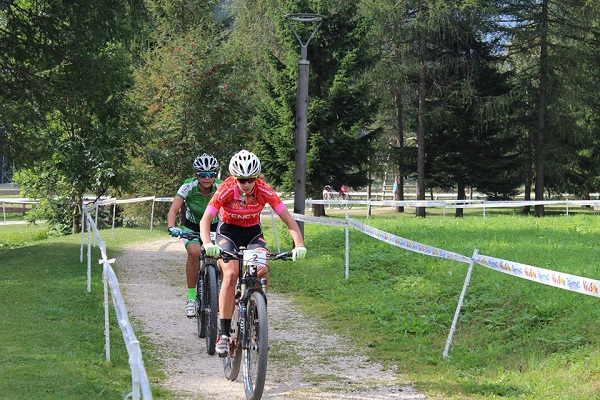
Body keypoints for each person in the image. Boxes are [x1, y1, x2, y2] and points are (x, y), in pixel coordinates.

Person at [200, 149, 307, 357]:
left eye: (250, 179)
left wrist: (299, 244)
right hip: (227, 233)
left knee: (262, 269)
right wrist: (206, 242)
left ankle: (257, 317)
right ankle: (223, 334)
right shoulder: (225, 189)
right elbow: (206, 219)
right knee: (230, 274)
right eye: (241, 180)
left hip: (252, 234)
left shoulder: (263, 190)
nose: (246, 184)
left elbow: (287, 218)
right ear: (234, 178)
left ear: (256, 178)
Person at [167, 153, 221, 318]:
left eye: (211, 174)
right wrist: (172, 226)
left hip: (214, 227)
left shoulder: (221, 186)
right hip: (192, 227)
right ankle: (191, 299)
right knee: (194, 253)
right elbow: (174, 209)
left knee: (221, 257)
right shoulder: (187, 186)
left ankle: (221, 291)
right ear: (196, 175)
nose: (207, 178)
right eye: (203, 174)